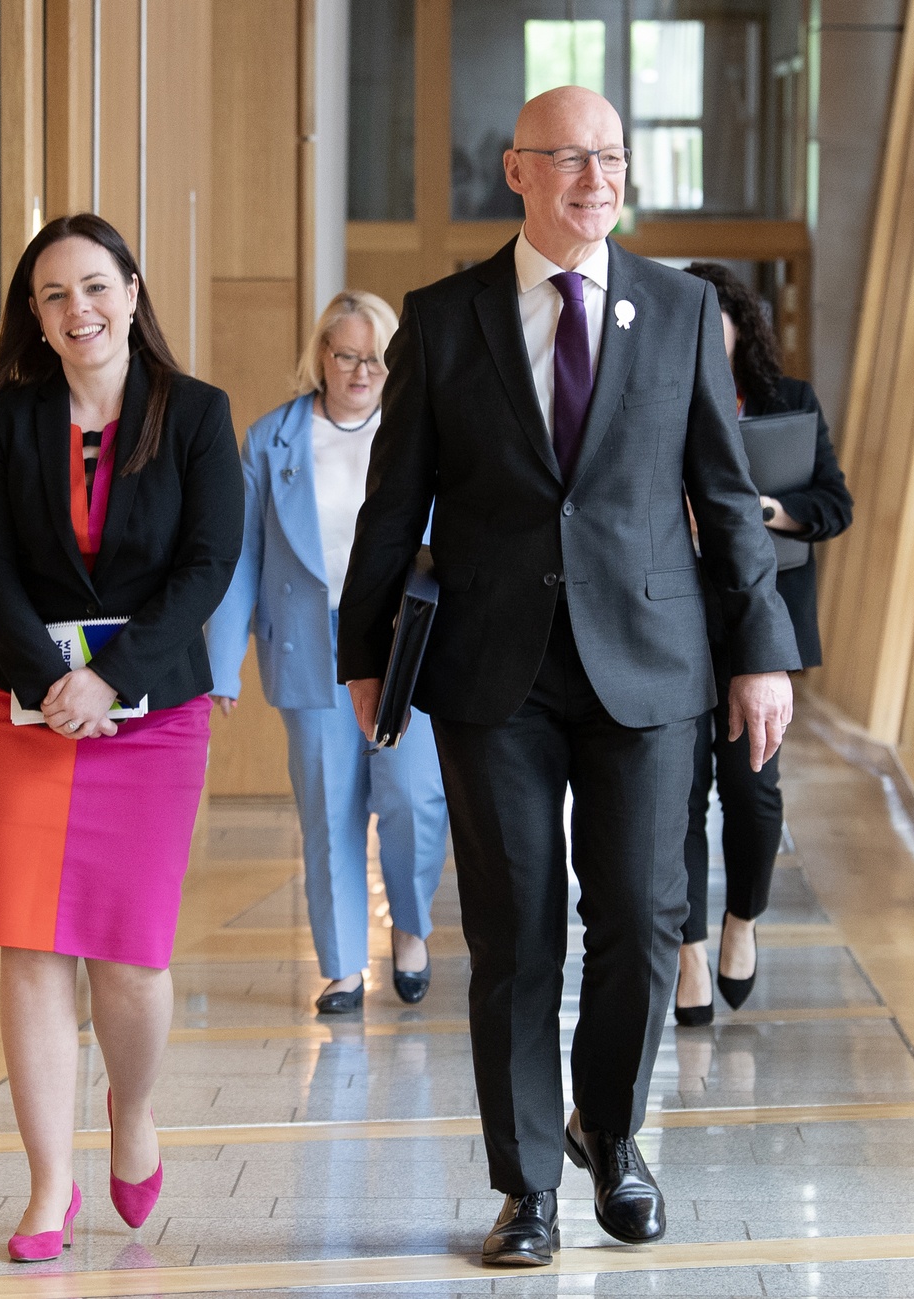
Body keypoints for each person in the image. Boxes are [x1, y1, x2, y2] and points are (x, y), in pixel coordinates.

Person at [337, 87, 799, 1267]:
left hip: (652, 664)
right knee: (516, 931)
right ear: (517, 172)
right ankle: (528, 1185)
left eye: (614, 158)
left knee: (645, 919)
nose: (597, 178)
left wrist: (761, 652)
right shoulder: (444, 322)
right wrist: (361, 654)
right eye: (571, 158)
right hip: (495, 673)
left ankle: (613, 1130)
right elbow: (395, 505)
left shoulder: (684, 309)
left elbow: (723, 495)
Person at [0, 213, 243, 1263]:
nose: (79, 310)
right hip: (25, 713)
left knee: (127, 957)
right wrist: (50, 679)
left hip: (151, 716)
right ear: (35, 318)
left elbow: (209, 563)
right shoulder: (11, 421)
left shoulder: (197, 415)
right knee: (30, 947)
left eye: (94, 287)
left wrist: (112, 678)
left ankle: (131, 1107)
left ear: (132, 288)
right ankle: (46, 1186)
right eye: (54, 296)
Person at [205, 291, 451, 1016]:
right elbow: (241, 553)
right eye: (346, 354)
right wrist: (223, 662)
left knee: (413, 796)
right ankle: (343, 966)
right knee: (328, 805)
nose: (360, 370)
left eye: (375, 356)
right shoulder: (272, 438)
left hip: (401, 641)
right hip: (311, 644)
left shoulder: (420, 433)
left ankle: (409, 925)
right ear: (321, 355)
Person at [674, 263, 853, 1027]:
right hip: (674, 626)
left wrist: (769, 510)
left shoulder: (790, 404)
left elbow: (834, 505)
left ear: (741, 329)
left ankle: (741, 918)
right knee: (675, 799)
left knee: (751, 793)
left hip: (757, 627)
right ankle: (687, 952)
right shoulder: (658, 400)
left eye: (712, 330)